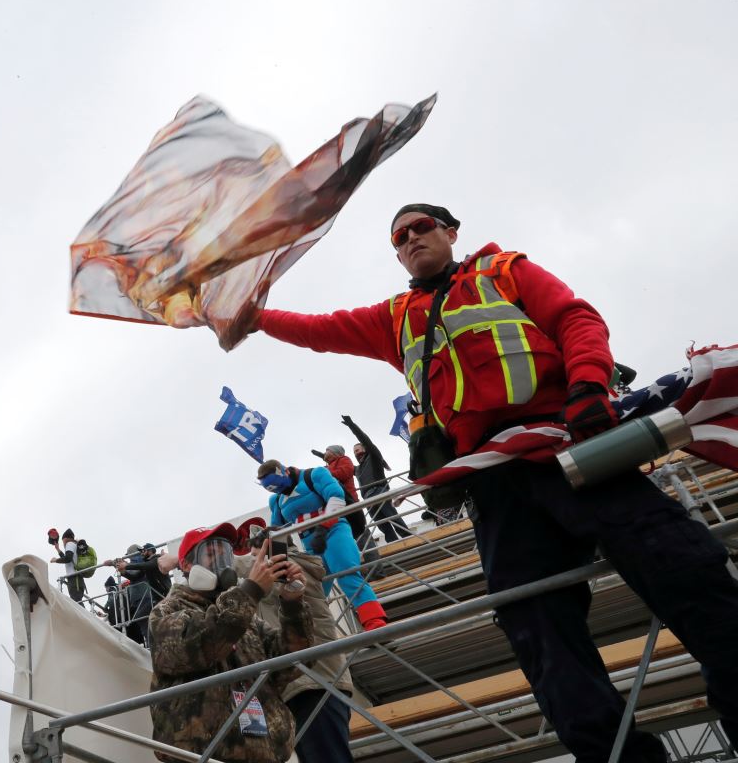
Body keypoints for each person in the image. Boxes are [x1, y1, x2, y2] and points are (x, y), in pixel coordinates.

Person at [255, 202, 738, 760]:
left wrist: (587, 386)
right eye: (398, 238)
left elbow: (576, 319)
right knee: (540, 639)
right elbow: (318, 330)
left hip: (572, 444)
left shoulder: (503, 271)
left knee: (685, 566)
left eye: (421, 228)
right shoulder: (392, 317)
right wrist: (252, 316)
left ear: (450, 231)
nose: (410, 240)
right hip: (495, 484)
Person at [148, 523, 313, 763]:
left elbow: (294, 662)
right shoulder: (167, 610)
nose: (222, 561)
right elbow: (200, 644)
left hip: (264, 754)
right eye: (211, 553)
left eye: (225, 554)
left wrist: (292, 603)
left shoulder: (248, 618)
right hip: (205, 756)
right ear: (186, 565)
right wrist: (251, 591)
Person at [234, 533, 355, 763]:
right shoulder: (293, 572)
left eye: (256, 554)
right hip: (310, 681)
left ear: (272, 550)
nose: (255, 563)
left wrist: (191, 560)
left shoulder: (291, 567)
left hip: (314, 681)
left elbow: (243, 566)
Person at [257, 459, 387, 631]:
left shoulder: (314, 474)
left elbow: (336, 496)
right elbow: (278, 532)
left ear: (285, 472)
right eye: (272, 488)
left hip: (335, 530)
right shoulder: (276, 500)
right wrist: (266, 545)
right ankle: (315, 637)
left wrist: (324, 527)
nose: (279, 490)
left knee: (348, 572)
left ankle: (375, 623)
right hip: (310, 545)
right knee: (313, 593)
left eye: (278, 485)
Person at [341, 415, 412, 543]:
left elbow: (365, 439)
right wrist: (325, 456)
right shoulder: (357, 469)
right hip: (367, 499)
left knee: (392, 517)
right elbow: (341, 468)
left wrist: (352, 425)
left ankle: (409, 539)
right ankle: (394, 544)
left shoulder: (373, 456)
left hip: (379, 491)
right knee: (382, 525)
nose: (356, 453)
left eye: (358, 449)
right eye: (354, 452)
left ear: (364, 448)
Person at [49, 528, 96, 604]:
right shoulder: (74, 545)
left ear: (66, 539)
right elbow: (69, 560)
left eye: (63, 540)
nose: (63, 543)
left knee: (77, 603)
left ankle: (82, 616)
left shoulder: (69, 544)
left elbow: (67, 559)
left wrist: (55, 560)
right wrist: (58, 550)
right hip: (77, 579)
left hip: (75, 579)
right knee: (77, 602)